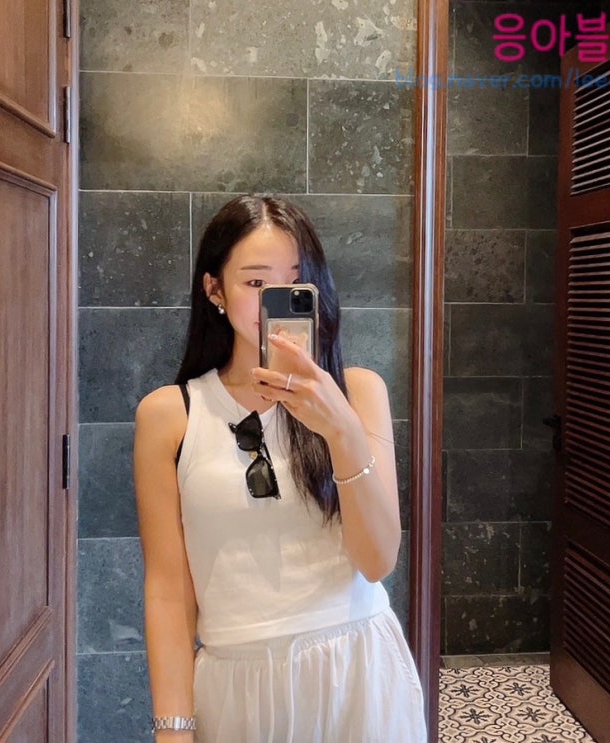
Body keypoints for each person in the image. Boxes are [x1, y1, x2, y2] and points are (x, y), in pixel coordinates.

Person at [134, 194, 426, 742]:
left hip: (357, 674)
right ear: (214, 290)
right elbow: (168, 591)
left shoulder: (359, 393)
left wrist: (341, 430)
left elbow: (377, 560)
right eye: (255, 282)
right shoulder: (170, 414)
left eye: (295, 282)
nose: (277, 302)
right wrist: (172, 729)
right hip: (237, 686)